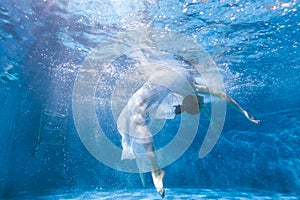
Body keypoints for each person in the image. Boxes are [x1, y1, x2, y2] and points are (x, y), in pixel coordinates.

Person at [116, 50, 259, 198]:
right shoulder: (190, 86)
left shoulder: (192, 88)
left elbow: (215, 99)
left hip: (144, 100)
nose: (198, 102)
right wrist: (241, 113)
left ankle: (155, 170)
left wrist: (238, 114)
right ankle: (148, 167)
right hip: (143, 97)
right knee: (129, 126)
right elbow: (220, 97)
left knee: (136, 122)